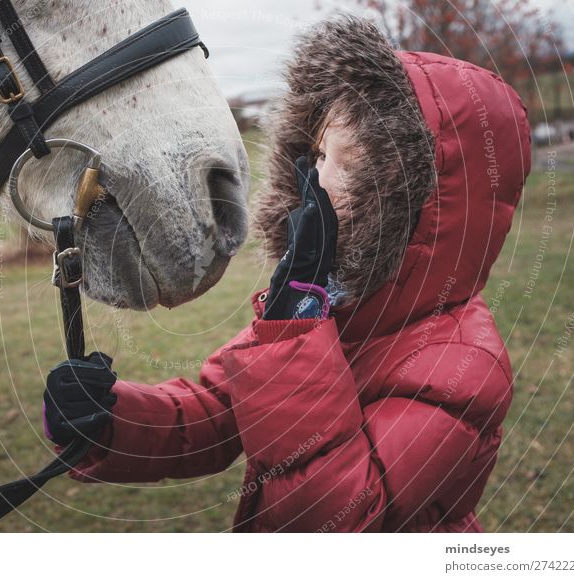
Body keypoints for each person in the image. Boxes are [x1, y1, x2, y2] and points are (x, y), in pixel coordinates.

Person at [42, 16, 531, 532]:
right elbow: (214, 412)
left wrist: (297, 325)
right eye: (315, 154)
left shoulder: (462, 366)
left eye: (343, 161)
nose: (310, 178)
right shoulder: (330, 303)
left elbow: (336, 518)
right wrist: (110, 420)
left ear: (409, 196)